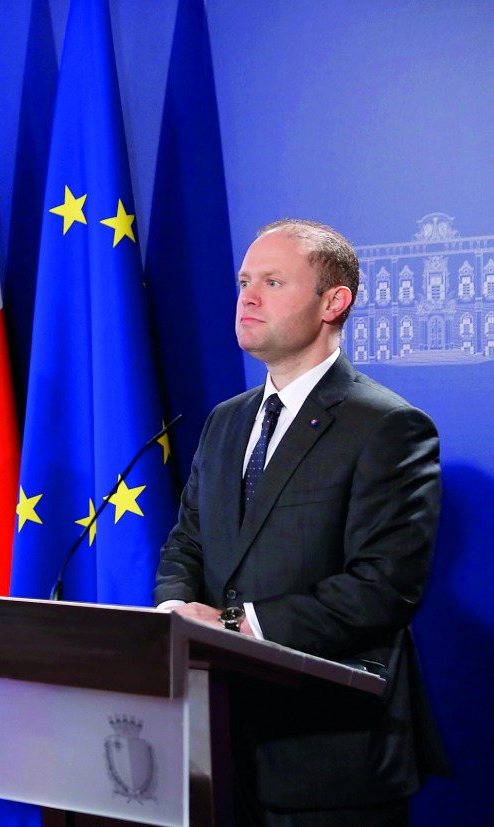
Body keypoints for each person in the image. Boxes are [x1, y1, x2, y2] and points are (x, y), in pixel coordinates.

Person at [155, 220, 446, 826]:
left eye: (273, 281)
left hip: (327, 753)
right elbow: (187, 542)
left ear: (333, 302)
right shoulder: (225, 421)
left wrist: (233, 624)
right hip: (212, 746)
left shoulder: (387, 426)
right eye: (243, 282)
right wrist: (175, 613)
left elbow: (383, 587)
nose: (247, 297)